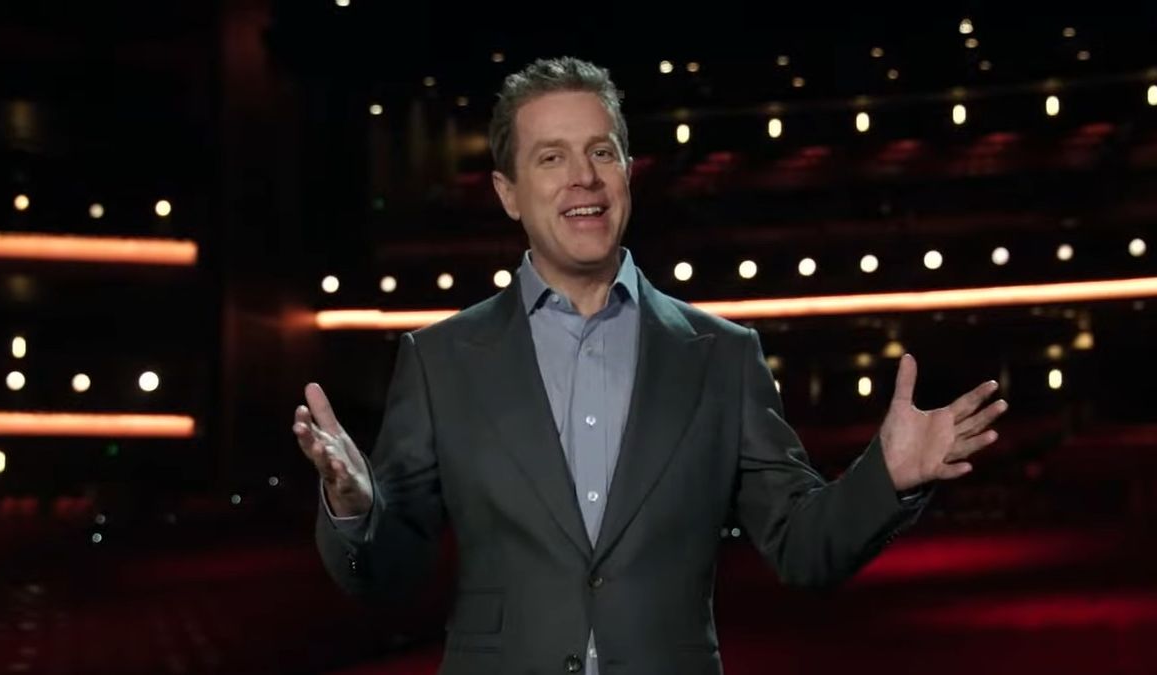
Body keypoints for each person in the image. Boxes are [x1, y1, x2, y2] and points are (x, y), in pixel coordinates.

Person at [292, 56, 1008, 675]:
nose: (584, 178)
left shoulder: (724, 356)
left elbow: (801, 547)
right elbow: (386, 575)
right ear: (508, 192)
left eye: (602, 152)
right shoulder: (440, 358)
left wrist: (887, 477)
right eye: (552, 157)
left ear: (627, 173)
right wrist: (355, 506)